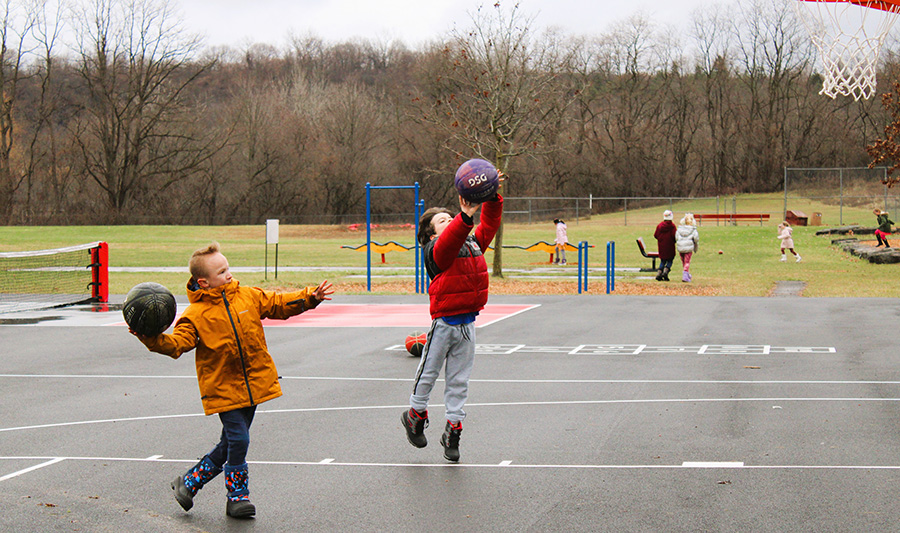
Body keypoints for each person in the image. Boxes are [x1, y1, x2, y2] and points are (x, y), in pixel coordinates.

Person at [130, 242, 334, 519]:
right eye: (222, 271)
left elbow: (279, 303)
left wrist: (311, 297)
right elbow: (176, 344)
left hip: (254, 382)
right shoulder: (195, 316)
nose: (228, 274)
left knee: (230, 443)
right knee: (239, 439)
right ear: (203, 282)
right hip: (223, 387)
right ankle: (237, 496)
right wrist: (149, 337)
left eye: (228, 268)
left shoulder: (247, 296)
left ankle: (188, 484)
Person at [401, 184, 503, 463]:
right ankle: (415, 414)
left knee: (459, 382)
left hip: (468, 325)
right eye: (443, 220)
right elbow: (449, 243)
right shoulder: (435, 249)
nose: (451, 220)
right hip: (444, 323)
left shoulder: (471, 243)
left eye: (451, 216)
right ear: (432, 233)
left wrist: (491, 196)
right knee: (428, 374)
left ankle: (453, 430)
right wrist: (464, 216)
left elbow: (491, 222)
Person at [654, 210, 677, 281]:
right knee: (670, 260)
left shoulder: (660, 226)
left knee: (663, 260)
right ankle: (666, 271)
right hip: (670, 246)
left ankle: (659, 272)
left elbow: (656, 235)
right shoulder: (672, 226)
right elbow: (675, 236)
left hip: (662, 246)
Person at [676, 213, 699, 282]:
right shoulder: (693, 230)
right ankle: (685, 275)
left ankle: (686, 274)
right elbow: (696, 239)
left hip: (680, 248)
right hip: (688, 248)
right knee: (687, 262)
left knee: (683, 261)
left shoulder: (679, 230)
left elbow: (676, 237)